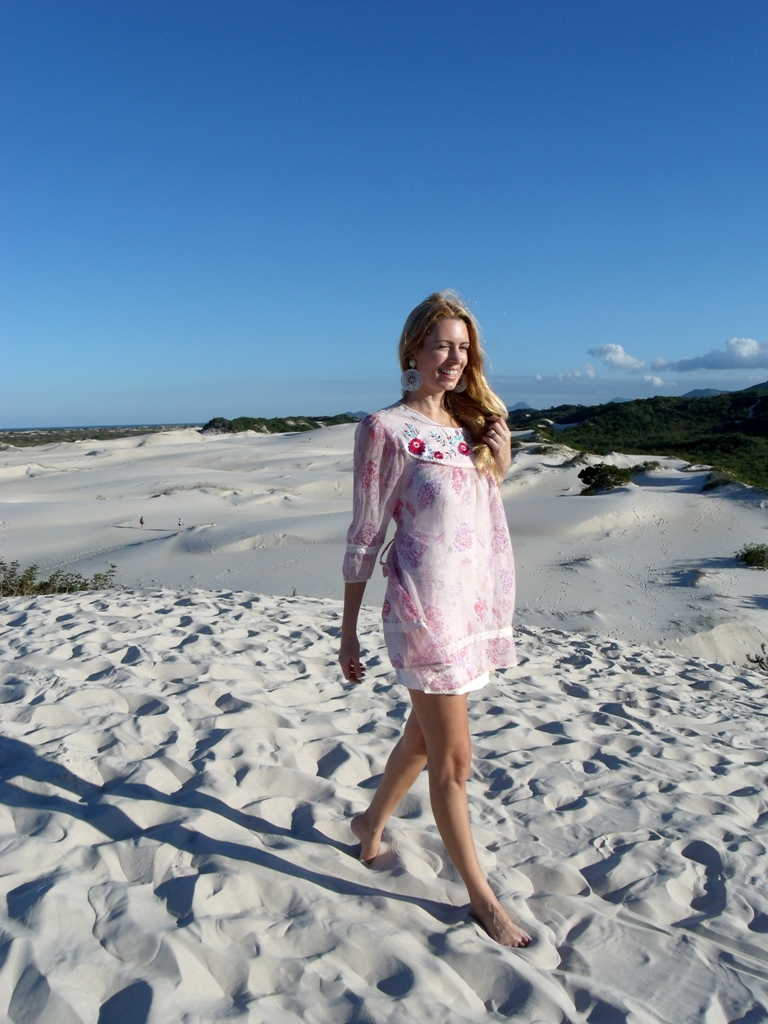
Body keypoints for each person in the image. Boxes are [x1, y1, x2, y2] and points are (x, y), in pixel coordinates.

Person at [338, 291, 529, 948]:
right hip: (424, 611)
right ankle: (483, 900)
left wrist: (501, 457)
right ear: (413, 350)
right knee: (454, 758)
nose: (455, 358)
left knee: (421, 739)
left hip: (471, 606)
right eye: (442, 345)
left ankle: (369, 825)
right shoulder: (384, 429)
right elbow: (365, 534)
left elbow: (481, 511)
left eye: (464, 347)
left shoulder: (472, 426)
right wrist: (348, 630)